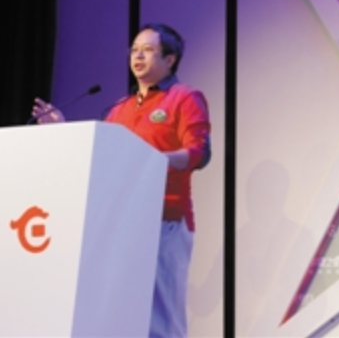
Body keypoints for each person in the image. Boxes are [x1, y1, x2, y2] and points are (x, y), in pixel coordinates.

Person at [32, 23, 211, 338]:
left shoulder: (184, 97)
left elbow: (199, 153)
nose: (138, 56)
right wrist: (62, 130)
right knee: (123, 317)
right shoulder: (119, 108)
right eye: (134, 50)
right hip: (122, 222)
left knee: (162, 319)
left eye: (148, 50)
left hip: (165, 219)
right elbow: (101, 155)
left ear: (170, 60)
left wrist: (153, 159)